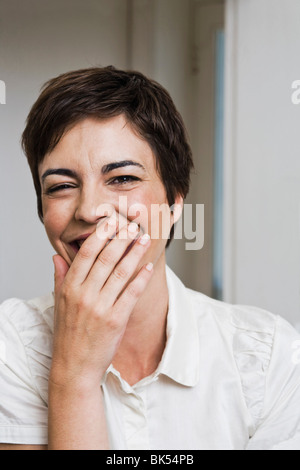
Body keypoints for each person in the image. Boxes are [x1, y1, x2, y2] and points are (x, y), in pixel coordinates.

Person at [0, 66, 300, 451]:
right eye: (60, 186)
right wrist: (74, 376)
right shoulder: (12, 348)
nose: (90, 210)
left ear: (175, 201)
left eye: (123, 179)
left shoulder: (270, 357)